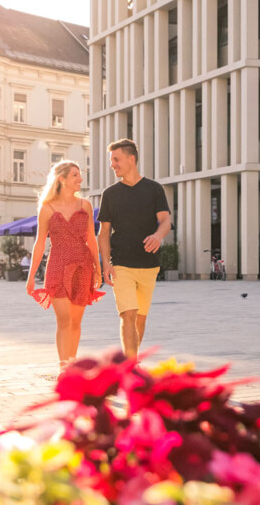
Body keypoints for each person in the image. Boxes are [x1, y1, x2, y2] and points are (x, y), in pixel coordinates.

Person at [25, 161, 104, 371]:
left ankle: (73, 367)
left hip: (83, 265)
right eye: (75, 175)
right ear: (62, 179)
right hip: (58, 265)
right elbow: (40, 242)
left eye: (80, 175)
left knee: (76, 322)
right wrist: (31, 275)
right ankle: (64, 369)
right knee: (64, 320)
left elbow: (92, 239)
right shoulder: (47, 207)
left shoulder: (85, 205)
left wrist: (98, 268)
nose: (80, 179)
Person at [97, 138, 172, 359]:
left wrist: (158, 235)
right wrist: (106, 264)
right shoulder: (110, 194)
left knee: (140, 318)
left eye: (116, 159)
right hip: (121, 263)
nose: (112, 165)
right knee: (127, 314)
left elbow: (166, 220)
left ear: (131, 159)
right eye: (111, 160)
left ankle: (132, 359)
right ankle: (130, 366)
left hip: (149, 264)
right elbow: (103, 233)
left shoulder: (154, 189)